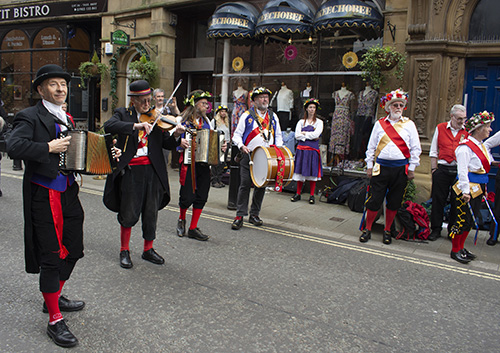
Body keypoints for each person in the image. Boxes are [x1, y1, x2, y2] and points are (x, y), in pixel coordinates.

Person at [6, 64, 86, 347]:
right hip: (44, 195)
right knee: (51, 256)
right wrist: (48, 148)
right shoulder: (29, 116)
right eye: (53, 84)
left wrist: (107, 156)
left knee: (74, 249)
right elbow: (12, 146)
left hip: (68, 192)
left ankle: (54, 295)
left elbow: (74, 155)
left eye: (63, 84)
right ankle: (54, 318)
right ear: (41, 90)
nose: (60, 88)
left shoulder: (68, 116)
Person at [103, 80, 186, 269]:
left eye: (149, 100)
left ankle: (148, 249)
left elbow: (166, 143)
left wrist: (175, 135)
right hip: (132, 170)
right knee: (129, 211)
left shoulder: (157, 117)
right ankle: (124, 250)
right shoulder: (123, 114)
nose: (147, 105)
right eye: (143, 101)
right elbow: (109, 126)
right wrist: (136, 127)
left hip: (153, 171)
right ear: (133, 101)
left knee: (151, 212)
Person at [360, 89, 421, 244]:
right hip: (380, 168)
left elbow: (416, 148)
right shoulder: (380, 124)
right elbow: (371, 147)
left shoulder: (409, 125)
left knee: (394, 201)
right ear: (388, 107)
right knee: (375, 200)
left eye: (401, 105)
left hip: (400, 169)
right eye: (395, 105)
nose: (398, 107)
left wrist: (412, 168)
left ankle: (387, 231)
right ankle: (367, 229)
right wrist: (369, 165)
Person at [175, 90, 226, 241]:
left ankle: (192, 228)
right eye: (203, 103)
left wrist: (221, 147)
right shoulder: (182, 120)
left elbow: (213, 140)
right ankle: (181, 219)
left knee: (202, 194)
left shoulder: (207, 122)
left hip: (203, 164)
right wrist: (180, 142)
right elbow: (172, 138)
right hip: (188, 162)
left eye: (206, 103)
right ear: (194, 104)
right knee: (186, 195)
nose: (206, 106)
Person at [231, 86, 283, 230]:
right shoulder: (246, 115)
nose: (264, 99)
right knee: (245, 185)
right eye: (261, 97)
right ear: (254, 100)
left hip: (267, 157)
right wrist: (242, 146)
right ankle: (239, 216)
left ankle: (254, 214)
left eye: (266, 97)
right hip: (249, 155)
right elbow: (236, 135)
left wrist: (277, 150)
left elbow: (278, 136)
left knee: (261, 186)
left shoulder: (273, 116)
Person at [449, 111, 494, 263]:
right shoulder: (465, 148)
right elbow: (462, 172)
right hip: (466, 189)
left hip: (477, 188)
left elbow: (481, 169)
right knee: (461, 220)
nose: (490, 130)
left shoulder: (482, 146)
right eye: (487, 127)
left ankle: (461, 247)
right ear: (479, 129)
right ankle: (455, 249)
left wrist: (484, 189)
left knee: (470, 220)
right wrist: (465, 191)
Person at [428, 104, 468, 241]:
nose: (462, 121)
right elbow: (433, 151)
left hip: (458, 171)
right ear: (451, 116)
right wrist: (434, 170)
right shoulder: (440, 128)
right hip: (443, 169)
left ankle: (453, 230)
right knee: (438, 200)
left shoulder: (467, 131)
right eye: (459, 118)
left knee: (457, 202)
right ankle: (435, 229)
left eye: (464, 118)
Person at [290, 98, 323, 205]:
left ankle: (312, 195)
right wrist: (309, 136)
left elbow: (316, 135)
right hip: (302, 149)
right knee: (300, 171)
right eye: (310, 107)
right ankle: (298, 193)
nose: (312, 109)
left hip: (313, 150)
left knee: (312, 172)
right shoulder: (300, 122)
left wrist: (304, 134)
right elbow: (297, 135)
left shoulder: (319, 122)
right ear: (306, 109)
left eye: (314, 107)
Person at [329, 82, 355, 161]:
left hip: (344, 117)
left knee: (343, 134)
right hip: (336, 116)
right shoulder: (335, 93)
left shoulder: (350, 94)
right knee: (335, 134)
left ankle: (341, 155)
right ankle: (334, 153)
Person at [211, 105, 230, 188]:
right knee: (216, 162)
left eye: (225, 111)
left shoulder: (226, 122)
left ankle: (219, 179)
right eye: (222, 111)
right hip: (217, 142)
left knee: (223, 163)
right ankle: (214, 180)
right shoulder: (214, 121)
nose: (223, 113)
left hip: (226, 142)